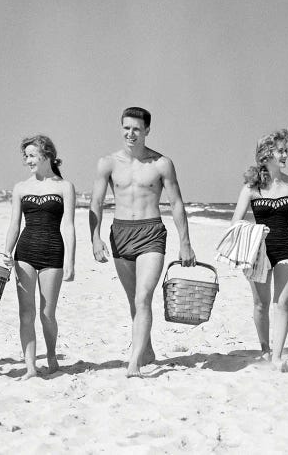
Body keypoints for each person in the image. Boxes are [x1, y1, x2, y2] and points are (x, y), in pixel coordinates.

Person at [90, 107, 197, 377]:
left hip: (151, 232)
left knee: (143, 297)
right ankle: (146, 350)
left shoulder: (162, 164)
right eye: (126, 128)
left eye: (136, 129)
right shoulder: (108, 163)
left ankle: (134, 362)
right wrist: (95, 238)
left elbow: (176, 203)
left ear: (147, 130)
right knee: (133, 301)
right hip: (121, 233)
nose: (130, 133)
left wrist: (185, 243)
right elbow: (96, 203)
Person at [229, 129, 288, 372]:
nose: (286, 155)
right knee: (260, 304)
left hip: (287, 247)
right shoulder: (251, 188)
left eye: (286, 150)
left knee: (282, 303)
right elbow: (235, 222)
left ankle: (276, 357)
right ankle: (265, 350)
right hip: (258, 252)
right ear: (267, 155)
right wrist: (252, 236)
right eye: (281, 151)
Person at [3, 135, 76, 380]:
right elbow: (14, 224)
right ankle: (31, 367)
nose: (28, 161)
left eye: (32, 155)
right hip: (24, 252)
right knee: (26, 313)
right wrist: (7, 250)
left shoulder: (64, 187)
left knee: (47, 314)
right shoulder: (21, 187)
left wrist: (70, 261)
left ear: (47, 155)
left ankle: (52, 355)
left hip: (53, 251)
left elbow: (69, 226)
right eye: (26, 156)